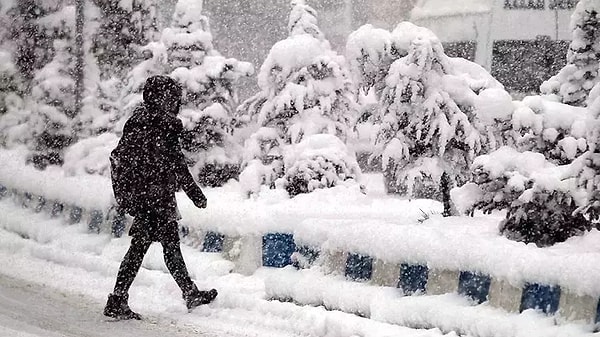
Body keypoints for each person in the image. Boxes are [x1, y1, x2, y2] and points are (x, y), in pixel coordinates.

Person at [104, 75, 217, 320]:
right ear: (162, 98)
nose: (174, 102)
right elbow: (176, 163)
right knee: (150, 248)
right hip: (155, 198)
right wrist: (195, 194)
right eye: (172, 97)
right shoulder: (161, 125)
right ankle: (119, 298)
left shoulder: (139, 121)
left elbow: (130, 158)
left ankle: (187, 293)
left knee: (160, 246)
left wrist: (132, 193)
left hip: (146, 197)